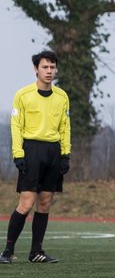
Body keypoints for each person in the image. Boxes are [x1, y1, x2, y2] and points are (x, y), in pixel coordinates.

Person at [4, 50, 71, 264]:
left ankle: (36, 252)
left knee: (45, 203)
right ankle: (7, 251)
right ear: (36, 69)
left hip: (53, 151)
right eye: (45, 67)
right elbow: (15, 126)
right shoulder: (22, 95)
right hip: (31, 150)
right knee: (26, 202)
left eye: (52, 67)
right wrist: (18, 154)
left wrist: (65, 154)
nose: (49, 71)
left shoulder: (62, 97)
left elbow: (65, 127)